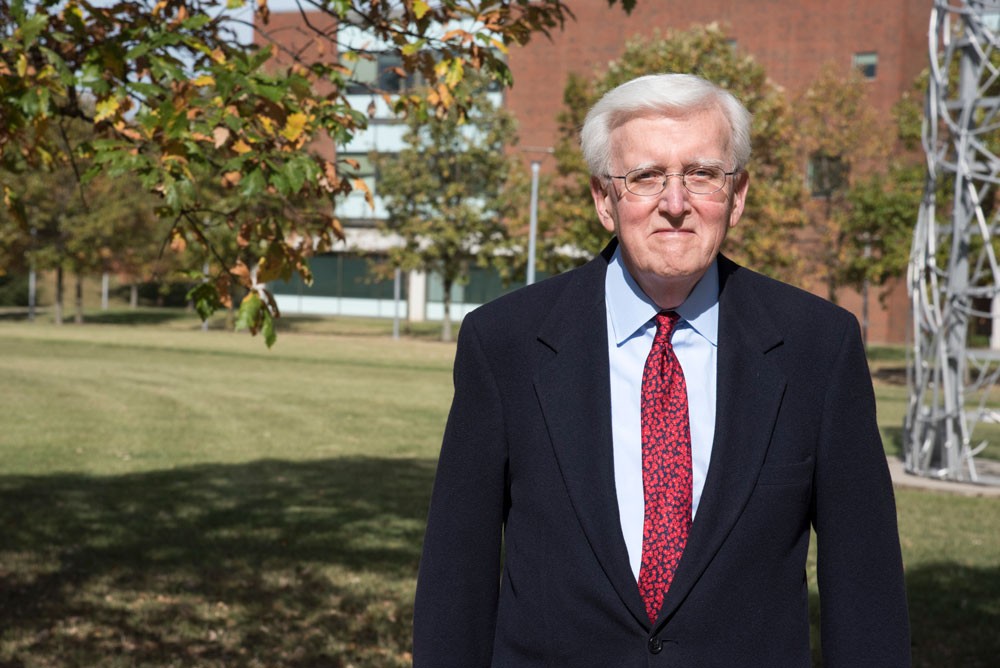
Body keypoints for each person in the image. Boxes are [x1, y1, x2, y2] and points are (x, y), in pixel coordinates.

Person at [412, 73, 910, 666]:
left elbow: (866, 587)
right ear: (604, 198)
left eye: (702, 175)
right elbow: (455, 581)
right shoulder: (504, 343)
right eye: (646, 177)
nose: (675, 204)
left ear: (738, 194)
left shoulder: (818, 348)